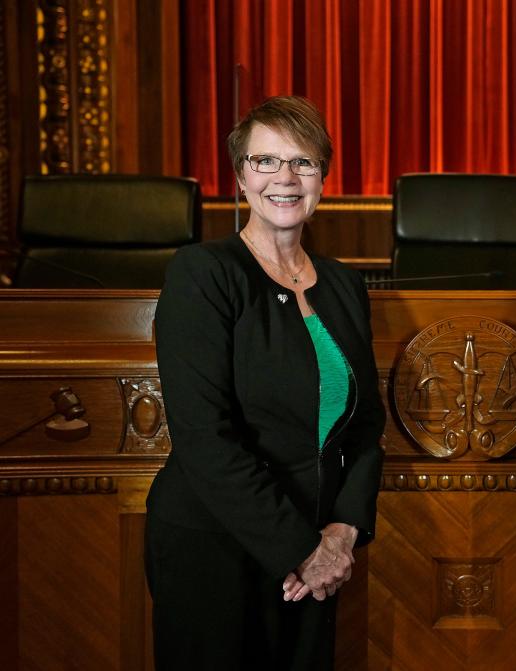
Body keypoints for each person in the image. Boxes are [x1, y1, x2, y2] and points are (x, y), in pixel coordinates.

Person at [145, 96, 385, 670]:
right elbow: (205, 437)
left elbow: (366, 427)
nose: (285, 178)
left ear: (323, 176)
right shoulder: (205, 273)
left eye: (302, 162)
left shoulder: (345, 286)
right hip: (216, 545)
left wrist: (343, 534)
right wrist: (300, 551)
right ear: (240, 176)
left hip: (318, 549)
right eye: (265, 161)